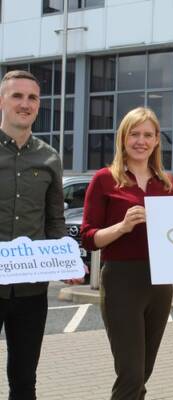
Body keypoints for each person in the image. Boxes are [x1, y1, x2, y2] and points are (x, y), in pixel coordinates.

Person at [81, 107, 173, 400]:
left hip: (160, 283)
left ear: (157, 140)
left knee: (143, 372)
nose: (141, 141)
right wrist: (122, 227)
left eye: (148, 135)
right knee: (131, 374)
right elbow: (89, 238)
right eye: (134, 134)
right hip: (121, 281)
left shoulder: (168, 183)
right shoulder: (104, 179)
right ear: (123, 138)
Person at [0, 70, 67, 399]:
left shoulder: (50, 157)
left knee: (24, 380)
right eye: (17, 96)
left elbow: (55, 220)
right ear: (2, 101)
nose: (25, 104)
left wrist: (67, 261)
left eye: (32, 98)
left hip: (31, 289)